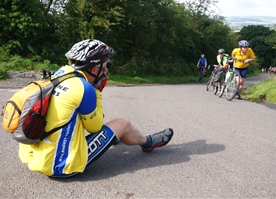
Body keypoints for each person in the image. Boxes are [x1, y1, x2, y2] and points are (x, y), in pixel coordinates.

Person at [19, 39, 174, 178]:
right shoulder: (84, 88)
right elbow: (95, 127)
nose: (106, 69)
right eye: (105, 65)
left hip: (31, 156)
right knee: (122, 124)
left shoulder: (55, 75)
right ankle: (147, 143)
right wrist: (97, 91)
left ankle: (114, 138)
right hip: (60, 166)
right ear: (94, 69)